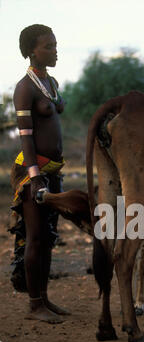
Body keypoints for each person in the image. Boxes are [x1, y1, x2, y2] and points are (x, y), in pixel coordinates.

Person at [10, 24, 70, 323]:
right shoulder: (24, 88)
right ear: (32, 50)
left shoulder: (52, 82)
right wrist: (35, 177)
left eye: (55, 44)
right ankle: (35, 305)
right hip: (33, 172)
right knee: (35, 237)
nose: (55, 50)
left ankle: (44, 299)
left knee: (47, 236)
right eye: (49, 46)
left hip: (52, 170)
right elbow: (26, 136)